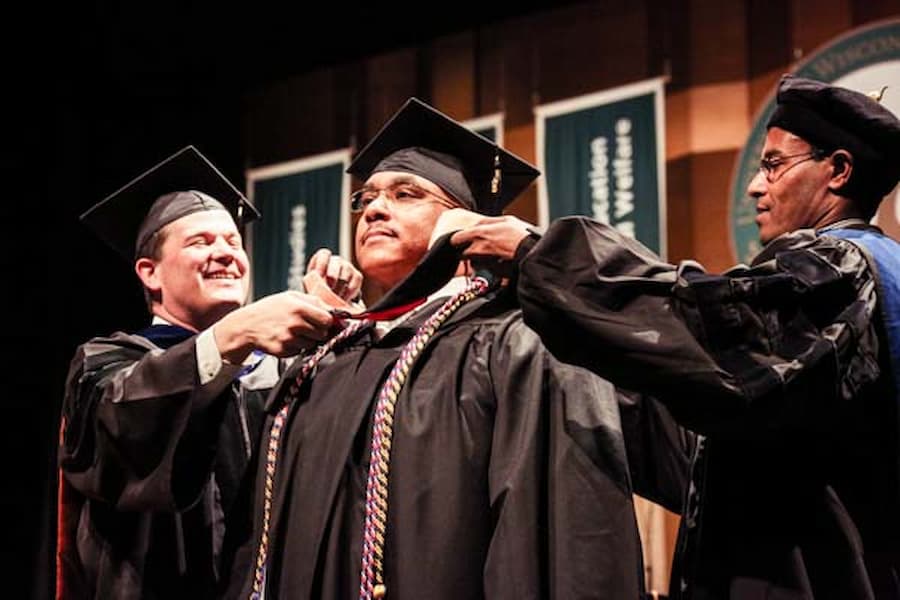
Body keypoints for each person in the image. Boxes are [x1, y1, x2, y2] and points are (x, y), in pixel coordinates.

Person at [440, 74, 900, 599]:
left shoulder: (843, 271)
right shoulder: (846, 290)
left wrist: (539, 255)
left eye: (773, 164)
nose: (755, 185)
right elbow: (707, 442)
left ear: (838, 170)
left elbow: (707, 330)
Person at [222, 98, 692, 600]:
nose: (375, 208)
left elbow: (560, 535)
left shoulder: (516, 341)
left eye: (407, 194)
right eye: (367, 198)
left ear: (464, 224)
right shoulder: (329, 359)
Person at [56, 146, 362, 600]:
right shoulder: (105, 365)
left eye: (234, 242)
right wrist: (232, 337)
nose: (225, 253)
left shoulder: (274, 371)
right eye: (201, 242)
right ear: (150, 273)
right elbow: (125, 438)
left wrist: (346, 327)